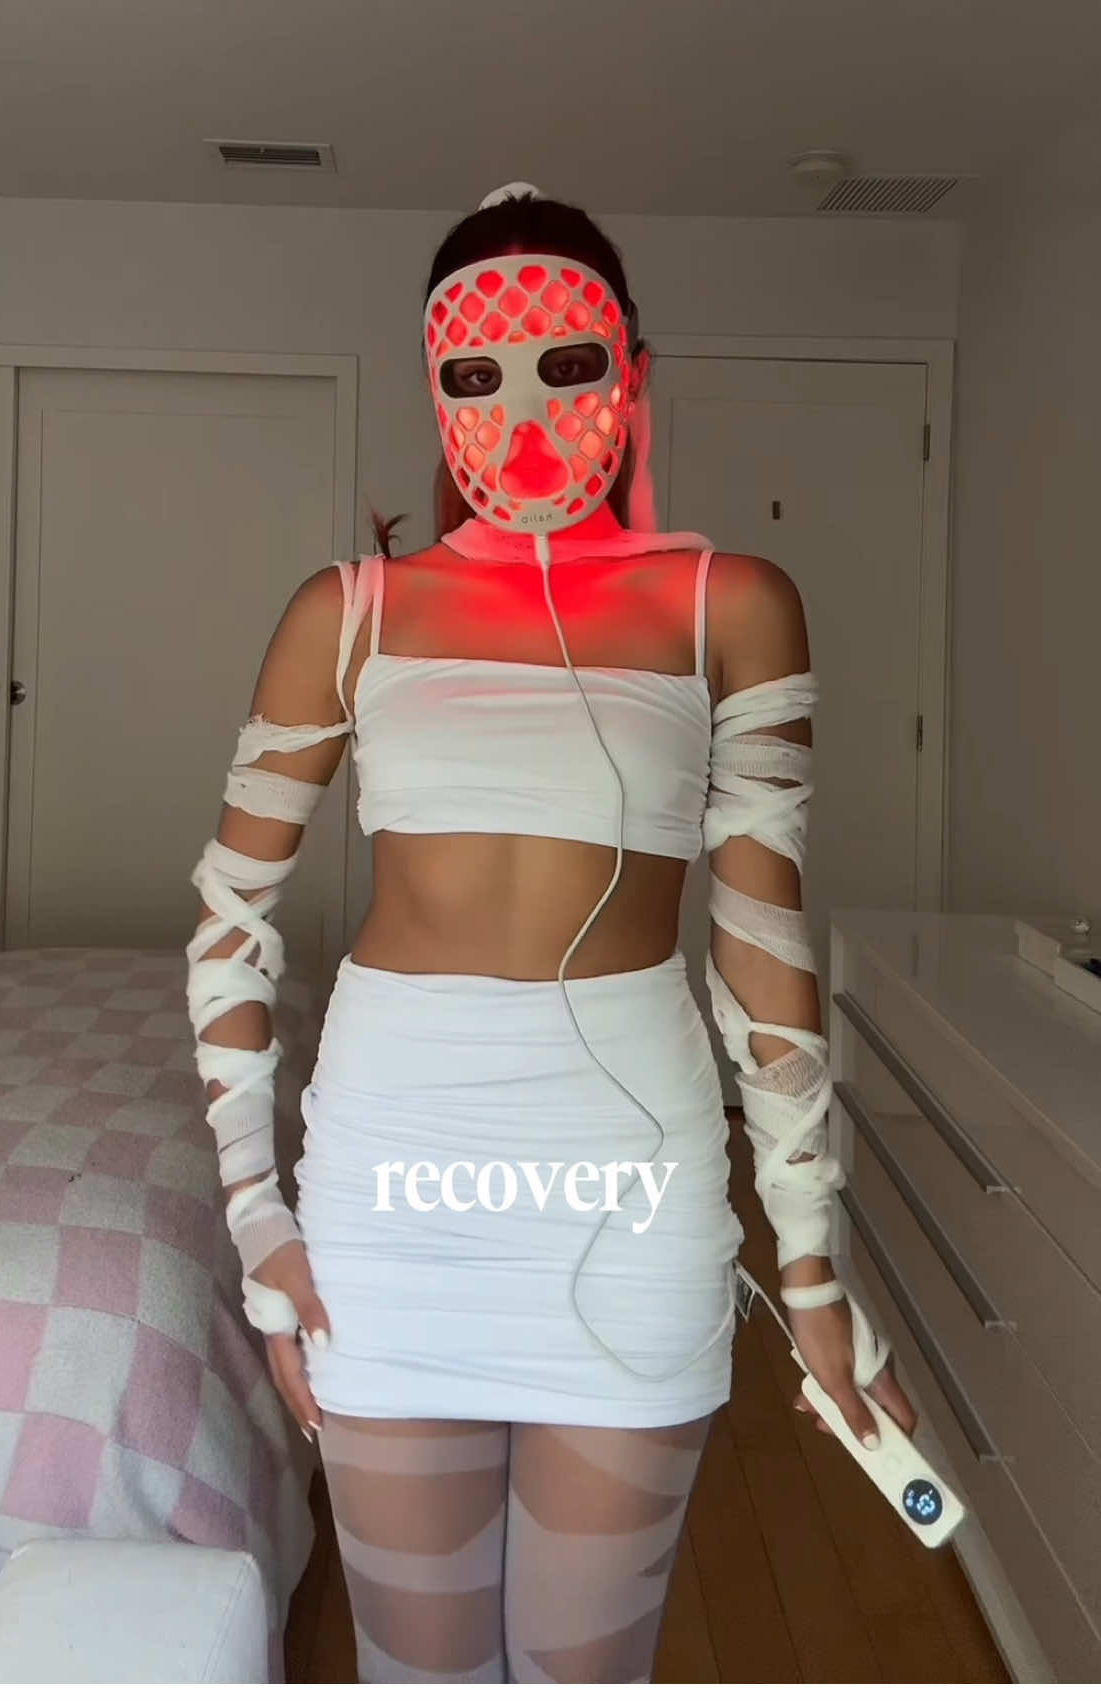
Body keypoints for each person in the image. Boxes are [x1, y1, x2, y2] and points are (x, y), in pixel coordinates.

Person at [185, 184, 916, 1684]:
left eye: (565, 363)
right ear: (436, 386)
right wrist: (259, 1215)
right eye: (478, 373)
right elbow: (231, 914)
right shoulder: (350, 613)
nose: (522, 409)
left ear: (629, 369)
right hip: (391, 1197)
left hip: (633, 1193)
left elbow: (761, 945)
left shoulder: (729, 605)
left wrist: (813, 1271)